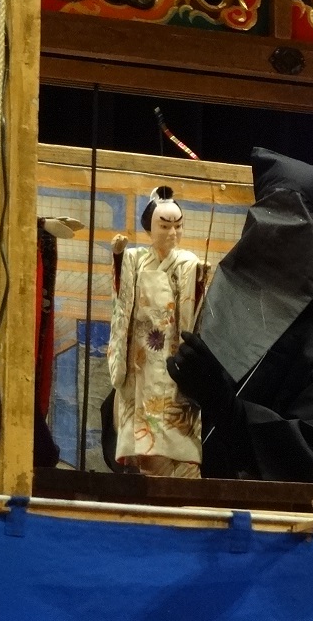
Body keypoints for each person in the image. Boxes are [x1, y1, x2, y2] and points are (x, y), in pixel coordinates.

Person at [168, 148, 313, 482]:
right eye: (265, 229)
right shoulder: (204, 317)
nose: (272, 246)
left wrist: (226, 406)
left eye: (290, 237)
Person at [107, 186, 204, 477]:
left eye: (178, 226)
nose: (172, 232)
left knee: (174, 415)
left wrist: (200, 278)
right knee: (142, 428)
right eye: (165, 226)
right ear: (149, 227)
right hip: (140, 355)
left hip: (173, 350)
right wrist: (118, 256)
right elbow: (121, 291)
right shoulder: (136, 259)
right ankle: (146, 471)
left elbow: (195, 304)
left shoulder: (188, 262)